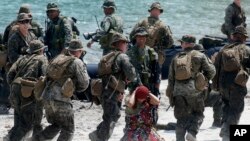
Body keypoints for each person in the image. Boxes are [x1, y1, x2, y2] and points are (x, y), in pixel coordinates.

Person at [32, 39, 90, 141]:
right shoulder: (77, 62)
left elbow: (46, 72)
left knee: (56, 124)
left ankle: (36, 140)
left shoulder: (57, 58)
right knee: (68, 129)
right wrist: (73, 90)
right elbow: (84, 83)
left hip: (47, 96)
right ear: (79, 51)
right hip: (61, 99)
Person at [166, 35, 216, 141]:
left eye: (182, 43)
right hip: (196, 91)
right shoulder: (200, 56)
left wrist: (171, 96)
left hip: (179, 92)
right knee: (198, 114)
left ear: (184, 44)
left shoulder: (176, 58)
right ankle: (192, 133)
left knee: (181, 118)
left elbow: (171, 80)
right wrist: (204, 81)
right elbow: (212, 71)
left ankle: (179, 139)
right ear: (193, 44)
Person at [89, 33, 136, 141]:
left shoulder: (106, 56)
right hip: (113, 92)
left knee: (109, 115)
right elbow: (132, 74)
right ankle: (99, 137)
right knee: (112, 117)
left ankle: (96, 134)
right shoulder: (122, 56)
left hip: (103, 90)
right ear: (121, 43)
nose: (127, 45)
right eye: (125, 43)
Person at [4, 40, 48, 141]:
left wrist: (15, 86)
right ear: (41, 50)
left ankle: (10, 138)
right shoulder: (42, 59)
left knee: (18, 120)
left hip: (15, 89)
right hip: (29, 92)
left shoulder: (21, 59)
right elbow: (46, 77)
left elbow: (10, 74)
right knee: (28, 124)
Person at [213, 26, 250, 141]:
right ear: (244, 38)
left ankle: (225, 129)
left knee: (227, 108)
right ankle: (227, 135)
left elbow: (215, 68)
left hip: (223, 85)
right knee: (236, 110)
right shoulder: (246, 49)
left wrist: (216, 85)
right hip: (237, 85)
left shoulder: (223, 49)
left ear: (233, 36)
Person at [127, 27, 160, 124]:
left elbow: (156, 69)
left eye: (143, 37)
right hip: (135, 85)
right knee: (134, 107)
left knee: (151, 106)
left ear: (146, 38)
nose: (141, 39)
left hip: (149, 83)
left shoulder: (150, 51)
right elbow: (129, 70)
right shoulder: (130, 53)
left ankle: (149, 125)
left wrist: (157, 83)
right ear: (135, 38)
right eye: (139, 37)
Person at [194, 44, 223, 127]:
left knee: (217, 95)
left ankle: (216, 121)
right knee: (219, 96)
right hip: (199, 99)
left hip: (189, 99)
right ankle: (217, 121)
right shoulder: (205, 64)